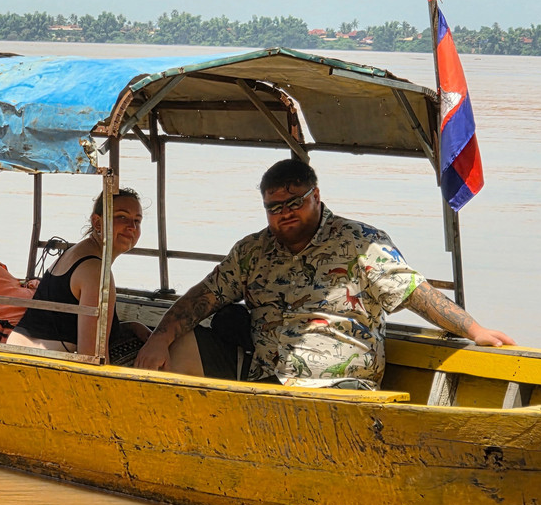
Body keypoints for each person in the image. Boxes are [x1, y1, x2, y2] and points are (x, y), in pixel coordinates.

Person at [135, 158, 514, 387]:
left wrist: (473, 329)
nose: (284, 213)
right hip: (268, 379)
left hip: (340, 382)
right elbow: (202, 298)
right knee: (177, 340)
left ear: (316, 196)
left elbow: (415, 292)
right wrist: (157, 339)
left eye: (294, 202)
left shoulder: (360, 242)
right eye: (273, 207)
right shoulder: (252, 251)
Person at [8, 189, 152, 363]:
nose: (132, 227)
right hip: (44, 363)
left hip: (19, 351)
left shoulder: (78, 251)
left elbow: (72, 325)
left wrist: (132, 327)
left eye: (137, 221)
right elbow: (92, 356)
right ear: (97, 223)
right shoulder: (95, 271)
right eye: (121, 217)